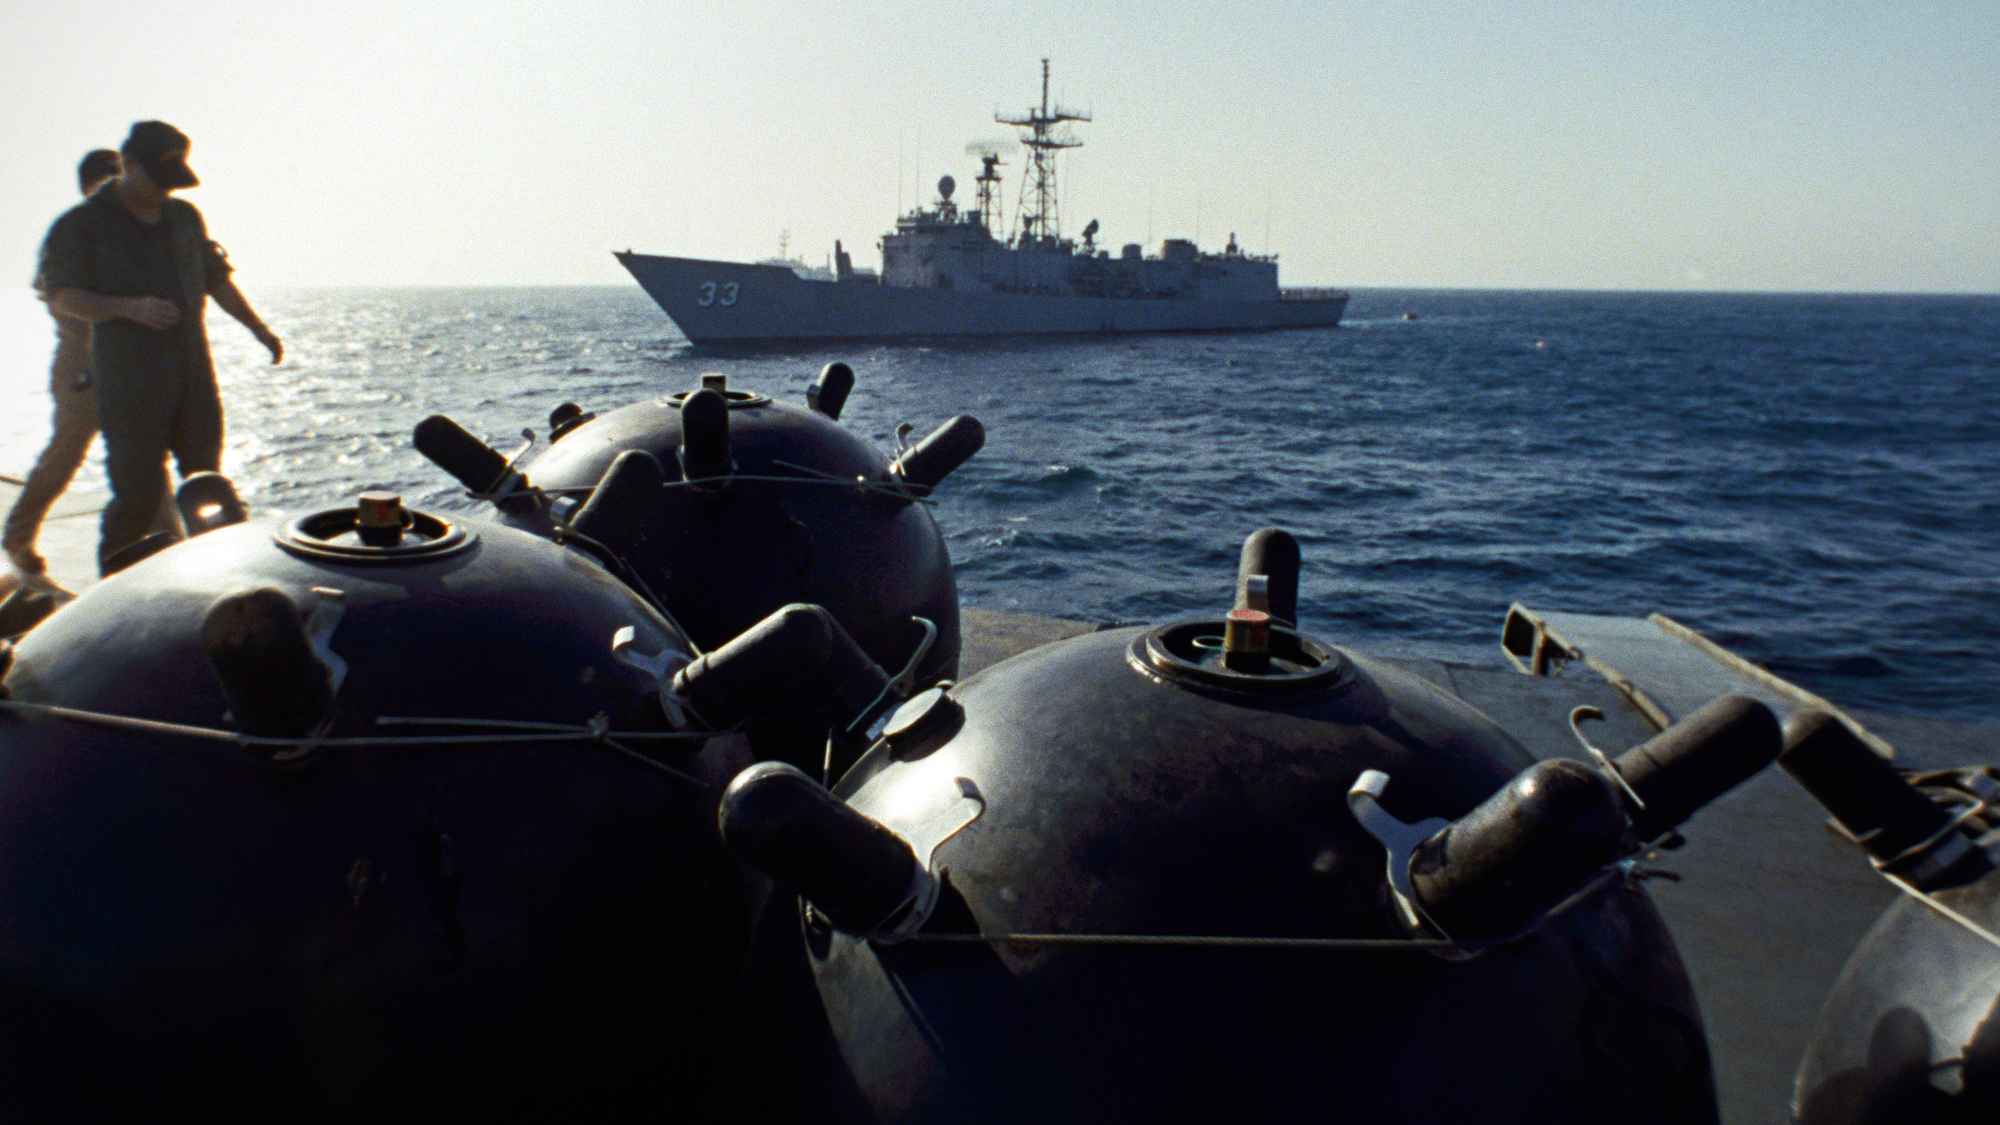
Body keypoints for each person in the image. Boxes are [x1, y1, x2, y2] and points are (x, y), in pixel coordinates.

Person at [34, 120, 282, 574]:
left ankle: (225, 587)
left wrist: (259, 329)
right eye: (158, 178)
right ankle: (112, 597)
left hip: (193, 376)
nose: (166, 191)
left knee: (209, 483)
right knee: (138, 496)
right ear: (127, 163)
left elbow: (217, 280)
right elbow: (62, 294)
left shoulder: (185, 217)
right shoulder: (81, 225)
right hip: (130, 384)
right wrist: (127, 307)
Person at [4, 149, 180, 576]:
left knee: (146, 456)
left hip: (125, 368)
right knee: (65, 455)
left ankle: (173, 545)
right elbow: (59, 300)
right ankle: (18, 535)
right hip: (83, 368)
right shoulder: (74, 233)